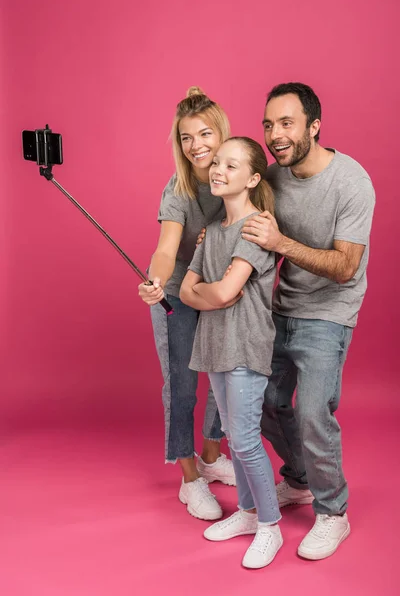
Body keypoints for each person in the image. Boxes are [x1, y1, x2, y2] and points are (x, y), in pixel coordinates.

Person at [241, 82, 375, 560]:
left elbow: (345, 268)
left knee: (315, 413)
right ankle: (299, 479)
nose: (275, 135)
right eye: (268, 124)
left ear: (314, 127)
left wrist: (281, 244)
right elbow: (249, 230)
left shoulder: (351, 182)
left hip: (330, 312)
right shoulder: (273, 179)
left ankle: (333, 511)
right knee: (264, 402)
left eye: (286, 123)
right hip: (283, 307)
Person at [180, 137, 282, 569]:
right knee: (237, 442)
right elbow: (188, 291)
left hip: (245, 344)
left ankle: (270, 527)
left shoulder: (256, 228)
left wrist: (210, 292)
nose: (218, 169)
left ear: (253, 178)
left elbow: (222, 290)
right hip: (216, 345)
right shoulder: (214, 231)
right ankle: (248, 512)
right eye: (217, 162)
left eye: (232, 165)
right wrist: (210, 293)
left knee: (242, 439)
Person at [138, 87, 236, 521]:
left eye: (205, 134)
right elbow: (166, 248)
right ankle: (190, 479)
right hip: (177, 293)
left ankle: (213, 456)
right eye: (186, 137)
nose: (196, 145)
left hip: (222, 291)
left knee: (223, 377)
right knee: (181, 383)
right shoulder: (177, 190)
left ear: (222, 134)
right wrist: (155, 281)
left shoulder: (239, 175)